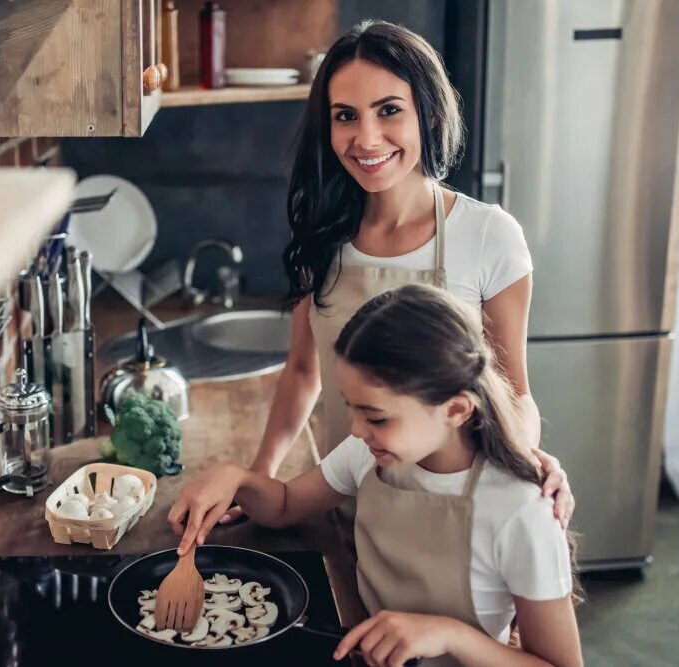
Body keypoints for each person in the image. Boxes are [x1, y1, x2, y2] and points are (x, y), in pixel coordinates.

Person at [221, 20, 574, 528]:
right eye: (346, 116)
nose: (366, 138)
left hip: (456, 512)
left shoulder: (488, 235)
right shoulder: (321, 238)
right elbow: (303, 373)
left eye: (389, 110)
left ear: (428, 115)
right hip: (343, 501)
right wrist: (259, 478)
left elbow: (513, 393)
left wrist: (526, 461)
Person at [170, 285, 583, 667]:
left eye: (376, 417)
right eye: (353, 409)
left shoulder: (520, 512)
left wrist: (450, 635)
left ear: (456, 410)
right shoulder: (368, 454)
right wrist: (236, 478)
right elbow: (282, 506)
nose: (357, 430)